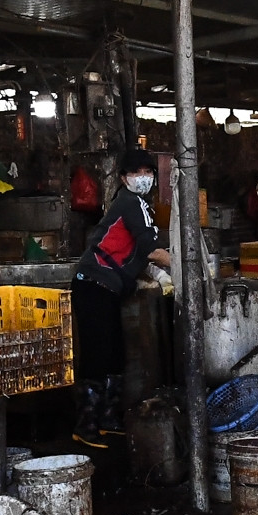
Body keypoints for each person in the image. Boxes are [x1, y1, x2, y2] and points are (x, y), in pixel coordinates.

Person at [70, 148, 171, 446]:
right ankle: (85, 425)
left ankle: (109, 420)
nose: (143, 178)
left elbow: (140, 255)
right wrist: (184, 266)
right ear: (124, 178)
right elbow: (152, 251)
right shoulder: (130, 202)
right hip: (93, 285)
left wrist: (159, 274)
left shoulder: (139, 206)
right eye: (136, 173)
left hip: (107, 289)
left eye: (148, 172)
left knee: (114, 356)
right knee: (97, 355)